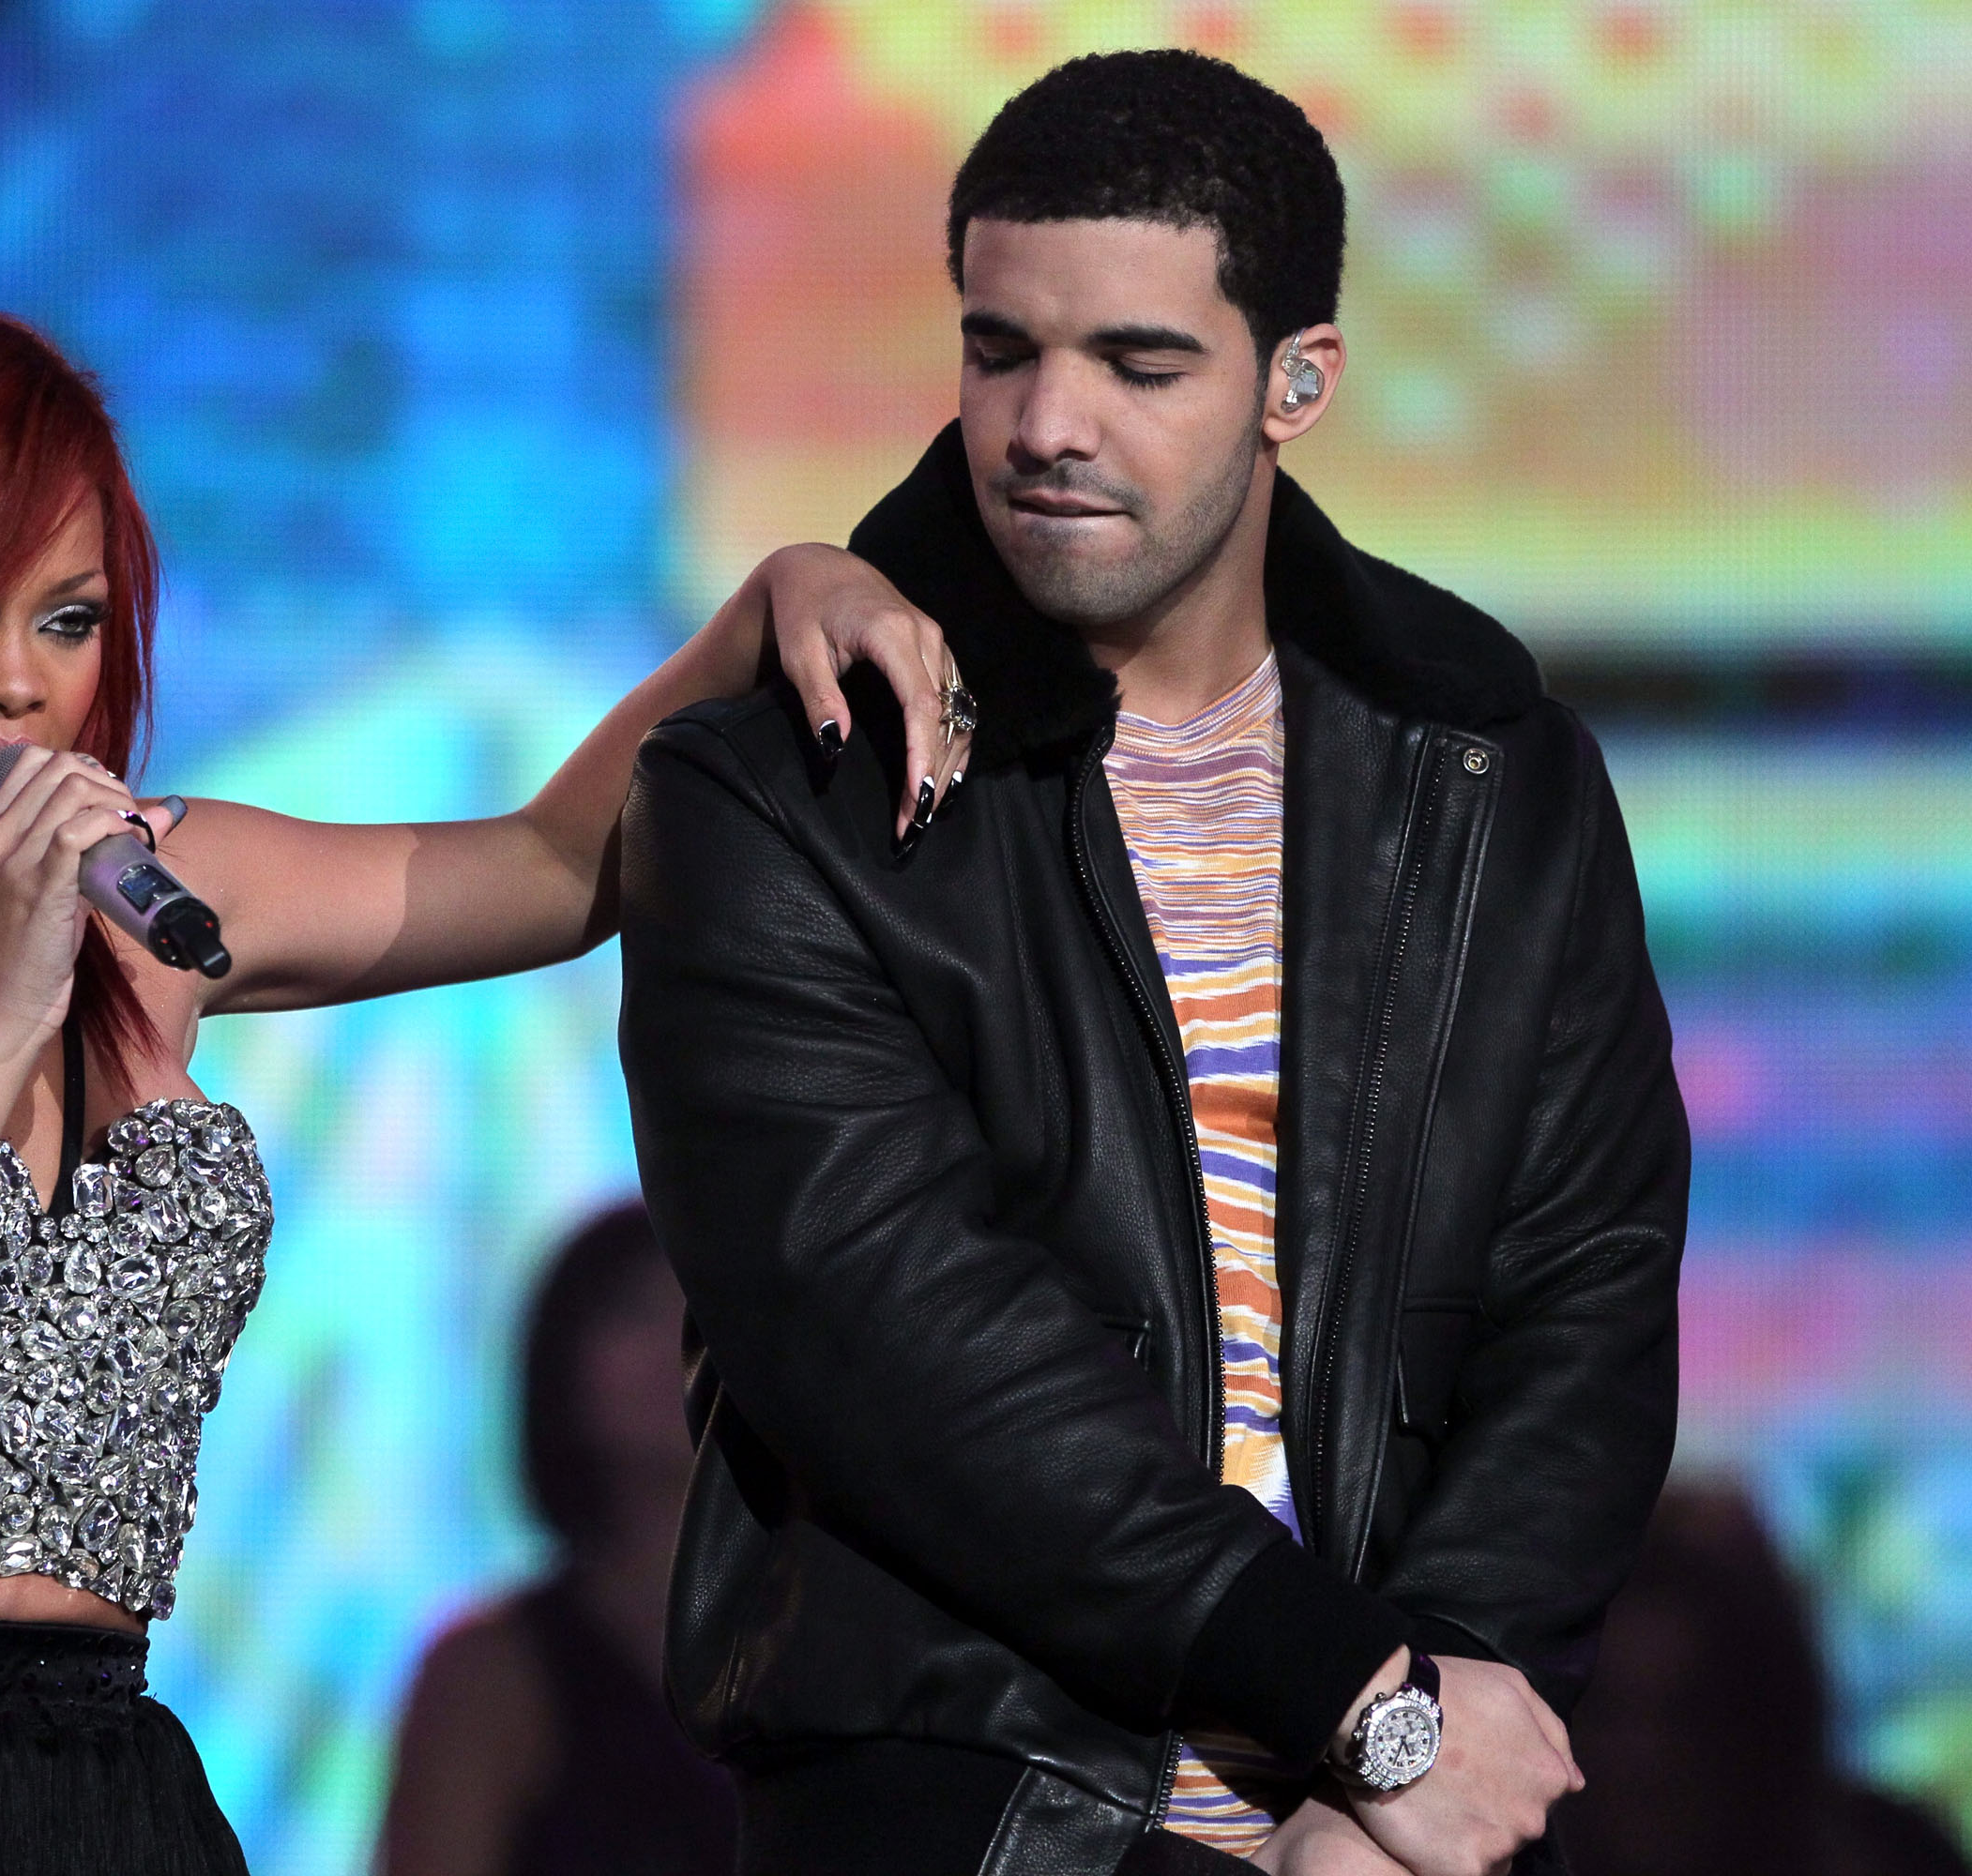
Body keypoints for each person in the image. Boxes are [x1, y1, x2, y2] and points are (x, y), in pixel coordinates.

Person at [0, 254, 968, 1873]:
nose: (19, 684)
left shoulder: (162, 901)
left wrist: (770, 604)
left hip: (105, 1787)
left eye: (63, 620)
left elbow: (557, 869)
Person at [618, 51, 1688, 1876]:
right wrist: (1363, 1697)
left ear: (1299, 381)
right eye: (1000, 348)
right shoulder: (778, 788)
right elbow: (889, 1332)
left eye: (1138, 361)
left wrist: (1404, 1771)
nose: (1046, 422)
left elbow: (1588, 1292)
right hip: (977, 1810)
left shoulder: (1491, 769)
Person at [379, 1202, 736, 1876]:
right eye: (633, 1309)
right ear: (564, 1358)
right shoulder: (488, 1674)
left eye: (705, 1310)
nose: (675, 1344)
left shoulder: (847, 1644)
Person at [1557, 1483, 1972, 1876]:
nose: (1644, 1758)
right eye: (1608, 1713)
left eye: (1692, 1715)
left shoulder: (1891, 1857)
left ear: (1769, 1716)